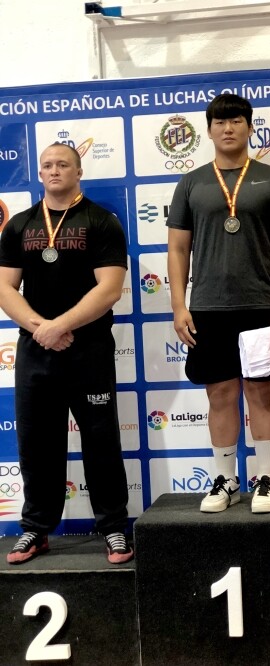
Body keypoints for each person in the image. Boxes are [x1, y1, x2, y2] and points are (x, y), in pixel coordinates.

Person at [167, 94, 270, 514]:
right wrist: (179, 305)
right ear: (209, 130)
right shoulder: (191, 183)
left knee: (262, 394)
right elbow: (178, 249)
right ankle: (226, 481)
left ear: (249, 127)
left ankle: (266, 479)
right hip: (208, 308)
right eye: (220, 122)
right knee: (220, 395)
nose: (228, 128)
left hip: (261, 306)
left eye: (237, 121)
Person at [0, 142, 133, 565]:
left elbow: (109, 289)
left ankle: (113, 527)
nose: (54, 170)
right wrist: (42, 328)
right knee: (37, 443)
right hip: (36, 350)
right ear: (39, 174)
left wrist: (61, 325)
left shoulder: (101, 222)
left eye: (63, 164)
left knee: (100, 440)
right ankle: (36, 529)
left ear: (78, 172)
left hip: (88, 350)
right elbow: (4, 287)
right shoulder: (18, 225)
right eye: (47, 165)